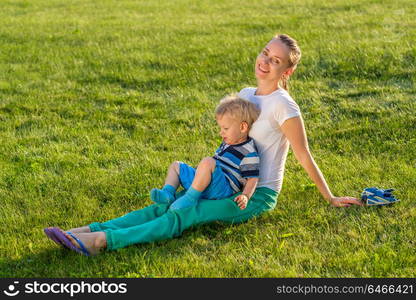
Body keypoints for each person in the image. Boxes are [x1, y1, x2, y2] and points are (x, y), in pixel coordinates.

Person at [44, 33, 363, 256]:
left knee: (186, 213)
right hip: (222, 181)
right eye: (265, 53)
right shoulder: (247, 94)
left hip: (250, 195)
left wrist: (331, 197)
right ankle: (83, 231)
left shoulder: (285, 107)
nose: (265, 62)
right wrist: (205, 175)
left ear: (287, 71)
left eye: (275, 60)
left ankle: (102, 241)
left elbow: (303, 155)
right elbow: (230, 143)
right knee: (164, 205)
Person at [151, 95, 260, 210]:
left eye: (225, 129)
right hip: (207, 182)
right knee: (176, 166)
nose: (221, 133)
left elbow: (253, 179)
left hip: (222, 189)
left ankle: (190, 198)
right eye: (220, 128)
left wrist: (246, 196)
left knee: (208, 161)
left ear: (242, 127)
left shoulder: (249, 153)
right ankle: (168, 193)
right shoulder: (229, 142)